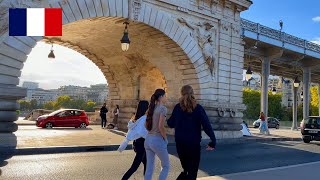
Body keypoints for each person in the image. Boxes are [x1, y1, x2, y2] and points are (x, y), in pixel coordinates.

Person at [167, 85, 216, 180]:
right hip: (193, 144)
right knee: (192, 171)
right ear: (193, 93)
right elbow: (206, 125)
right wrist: (213, 140)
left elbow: (170, 124)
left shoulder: (177, 108)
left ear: (181, 93)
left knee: (186, 170)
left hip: (180, 143)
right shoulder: (198, 108)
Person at [119, 100, 149, 180]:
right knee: (134, 167)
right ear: (146, 108)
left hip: (137, 143)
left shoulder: (136, 117)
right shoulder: (144, 119)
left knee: (147, 163)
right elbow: (144, 133)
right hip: (141, 145)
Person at [144, 89, 170, 180]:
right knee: (166, 166)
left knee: (149, 167)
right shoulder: (163, 109)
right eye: (165, 96)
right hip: (157, 139)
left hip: (148, 139)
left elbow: (146, 125)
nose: (166, 98)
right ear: (161, 97)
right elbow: (161, 127)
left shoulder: (151, 108)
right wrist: (165, 138)